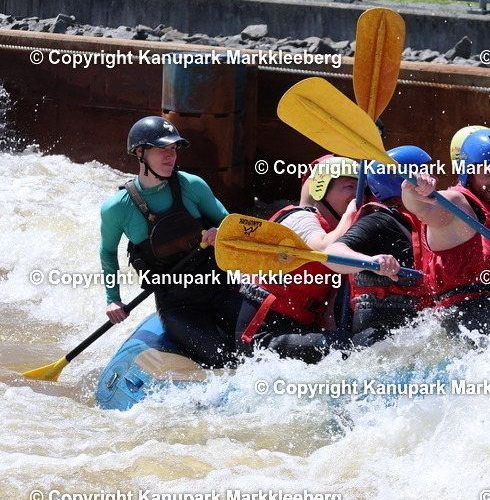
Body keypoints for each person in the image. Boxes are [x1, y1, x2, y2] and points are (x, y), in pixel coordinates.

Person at [100, 116, 241, 367]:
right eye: (162, 149)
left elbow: (233, 227)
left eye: (173, 148)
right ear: (140, 153)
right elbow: (108, 252)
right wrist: (113, 298)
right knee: (222, 361)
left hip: (222, 289)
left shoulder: (192, 185)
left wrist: (220, 232)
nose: (171, 156)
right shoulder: (117, 208)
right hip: (179, 306)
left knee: (260, 345)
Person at [235, 155, 400, 361]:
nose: (357, 195)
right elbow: (325, 250)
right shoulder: (301, 219)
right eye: (349, 186)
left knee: (355, 344)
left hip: (296, 331)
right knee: (347, 346)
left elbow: (327, 311)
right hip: (260, 338)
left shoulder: (339, 238)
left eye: (361, 190)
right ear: (321, 190)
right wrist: (350, 215)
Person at [404, 129, 490, 334]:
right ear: (469, 173)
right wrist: (413, 191)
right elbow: (423, 208)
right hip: (465, 318)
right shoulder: (458, 204)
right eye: (487, 172)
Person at [340, 146, 435, 346]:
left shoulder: (431, 219)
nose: (434, 179)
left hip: (416, 326)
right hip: (379, 331)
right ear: (400, 182)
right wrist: (370, 260)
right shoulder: (381, 221)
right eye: (425, 174)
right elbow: (334, 253)